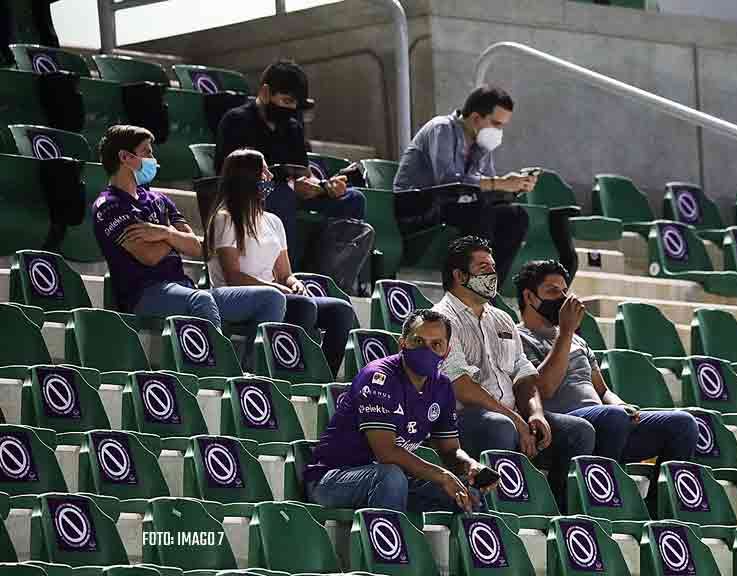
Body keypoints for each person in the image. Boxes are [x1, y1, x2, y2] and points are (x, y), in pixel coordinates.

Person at [432, 236, 594, 512]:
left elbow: (524, 375)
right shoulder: (439, 319)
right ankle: (500, 514)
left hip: (509, 415)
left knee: (578, 431)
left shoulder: (502, 318)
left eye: (493, 267)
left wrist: (535, 414)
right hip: (459, 420)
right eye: (484, 268)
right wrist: (516, 419)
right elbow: (460, 386)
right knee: (500, 426)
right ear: (459, 275)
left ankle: (561, 513)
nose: (493, 274)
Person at [515, 260, 698, 483]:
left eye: (565, 291)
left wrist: (619, 404)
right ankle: (602, 496)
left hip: (609, 423)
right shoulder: (519, 338)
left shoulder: (578, 341)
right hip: (566, 425)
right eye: (553, 291)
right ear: (529, 297)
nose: (563, 298)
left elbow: (602, 390)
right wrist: (565, 333)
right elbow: (544, 388)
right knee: (614, 418)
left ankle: (660, 505)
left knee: (683, 424)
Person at [92, 125, 285, 330]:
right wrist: (175, 238)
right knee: (201, 301)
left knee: (273, 298)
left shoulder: (159, 199)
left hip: (185, 289)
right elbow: (149, 256)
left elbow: (199, 249)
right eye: (147, 152)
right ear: (125, 157)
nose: (153, 159)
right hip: (144, 294)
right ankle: (220, 362)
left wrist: (164, 232)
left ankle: (251, 362)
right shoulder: (109, 205)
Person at [304, 309, 492, 515]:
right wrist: (443, 476)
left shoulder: (442, 386)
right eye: (418, 341)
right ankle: (390, 546)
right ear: (402, 343)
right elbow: (386, 453)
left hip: (392, 482)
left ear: (447, 351)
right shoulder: (378, 377)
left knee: (467, 493)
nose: (427, 350)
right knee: (391, 476)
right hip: (333, 480)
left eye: (436, 344)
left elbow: (449, 451)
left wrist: (470, 465)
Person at [214, 60, 373, 292]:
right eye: (286, 101)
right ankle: (288, 272)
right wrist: (286, 185)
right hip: (251, 194)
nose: (290, 109)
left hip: (289, 190)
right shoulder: (236, 120)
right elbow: (227, 172)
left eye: (294, 104)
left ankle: (329, 275)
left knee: (354, 199)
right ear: (266, 92)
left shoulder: (292, 127)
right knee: (282, 195)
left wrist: (324, 187)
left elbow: (302, 173)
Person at [205, 148, 356, 378]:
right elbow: (233, 276)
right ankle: (284, 374)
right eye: (264, 172)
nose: (270, 177)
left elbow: (285, 272)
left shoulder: (273, 221)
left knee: (340, 310)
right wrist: (275, 287)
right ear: (246, 177)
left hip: (272, 294)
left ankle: (322, 377)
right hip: (233, 294)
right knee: (302, 306)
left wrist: (293, 282)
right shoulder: (225, 218)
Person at [394, 85, 550, 285]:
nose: (499, 131)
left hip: (457, 206)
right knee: (479, 211)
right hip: (418, 205)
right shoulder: (441, 128)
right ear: (476, 118)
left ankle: (489, 287)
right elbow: (448, 181)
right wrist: (499, 183)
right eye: (495, 123)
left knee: (515, 216)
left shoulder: (482, 143)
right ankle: (470, 284)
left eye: (502, 125)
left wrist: (512, 186)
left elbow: (485, 188)